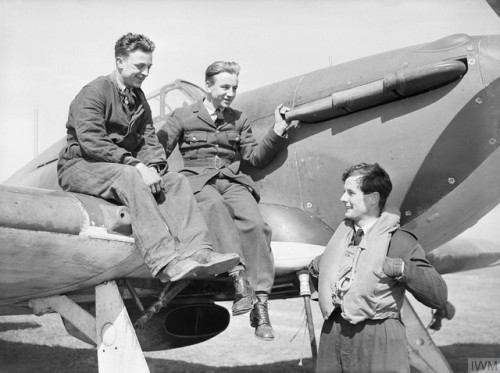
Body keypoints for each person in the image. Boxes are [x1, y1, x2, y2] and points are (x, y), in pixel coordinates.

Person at [57, 33, 239, 283]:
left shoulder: (139, 98)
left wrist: (154, 168)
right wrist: (137, 165)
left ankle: (199, 252)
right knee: (131, 176)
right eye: (139, 66)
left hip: (116, 165)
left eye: (149, 67)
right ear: (120, 62)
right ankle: (165, 260)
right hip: (80, 165)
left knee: (175, 181)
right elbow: (92, 141)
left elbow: (149, 138)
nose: (145, 72)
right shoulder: (94, 92)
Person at [157, 61, 290, 340]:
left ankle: (260, 306)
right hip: (197, 181)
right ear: (208, 86)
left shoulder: (239, 119)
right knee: (214, 209)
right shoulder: (182, 116)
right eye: (225, 87)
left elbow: (254, 157)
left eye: (235, 88)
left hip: (232, 181)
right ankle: (238, 277)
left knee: (257, 226)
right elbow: (158, 151)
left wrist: (277, 130)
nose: (230, 93)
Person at [308, 163, 448, 373]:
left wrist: (402, 269)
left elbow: (438, 294)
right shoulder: (338, 241)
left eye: (350, 193)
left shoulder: (399, 242)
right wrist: (319, 268)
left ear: (372, 198)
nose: (343, 199)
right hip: (333, 334)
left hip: (378, 337)